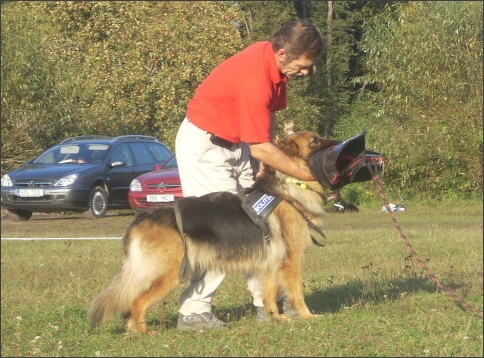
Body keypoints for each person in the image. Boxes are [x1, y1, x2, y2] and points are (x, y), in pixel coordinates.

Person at [175, 19, 325, 331]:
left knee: (264, 221)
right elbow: (262, 148)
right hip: (206, 146)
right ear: (283, 54)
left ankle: (268, 304)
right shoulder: (254, 78)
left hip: (238, 143)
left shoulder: (271, 61)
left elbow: (265, 119)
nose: (307, 72)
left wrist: (263, 158)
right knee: (222, 228)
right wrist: (302, 174)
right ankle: (194, 311)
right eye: (304, 64)